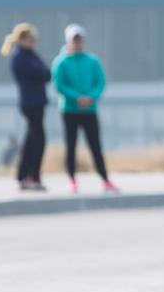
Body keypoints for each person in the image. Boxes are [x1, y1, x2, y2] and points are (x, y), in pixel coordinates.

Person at [51, 24, 119, 194]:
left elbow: (100, 81)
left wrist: (91, 97)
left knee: (95, 145)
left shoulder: (92, 60)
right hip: (69, 110)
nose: (78, 42)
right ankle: (72, 179)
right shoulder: (61, 62)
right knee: (71, 145)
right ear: (69, 41)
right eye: (75, 40)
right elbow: (59, 85)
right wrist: (76, 97)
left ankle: (105, 179)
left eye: (80, 39)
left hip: (89, 110)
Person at [1, 22, 50, 192]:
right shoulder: (20, 57)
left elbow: (47, 74)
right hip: (31, 103)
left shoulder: (30, 55)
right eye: (30, 39)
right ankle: (32, 176)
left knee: (31, 141)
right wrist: (43, 73)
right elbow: (42, 73)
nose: (33, 42)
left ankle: (24, 175)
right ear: (22, 39)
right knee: (39, 141)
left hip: (37, 102)